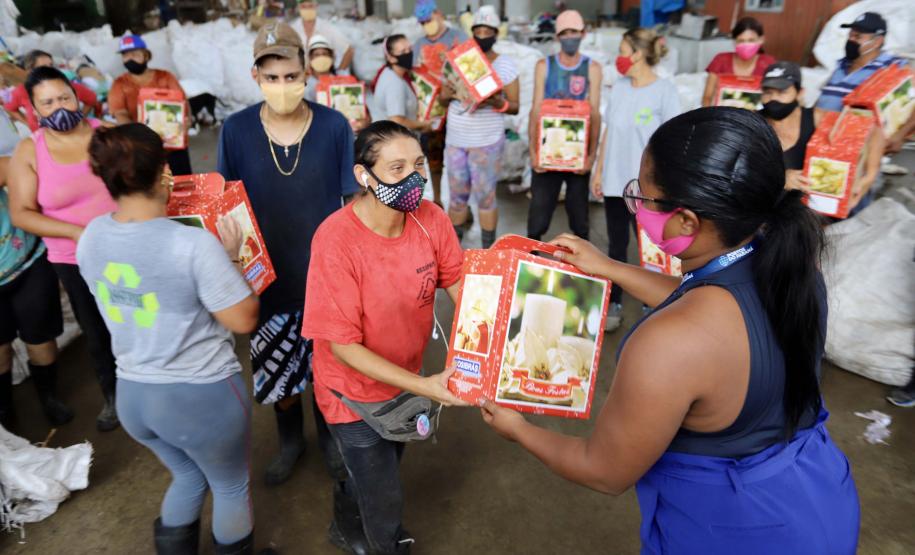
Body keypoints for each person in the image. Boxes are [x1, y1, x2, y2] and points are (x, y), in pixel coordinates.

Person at [482, 107, 860, 554]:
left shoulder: (666, 346)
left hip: (734, 532)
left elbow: (604, 471)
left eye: (643, 196)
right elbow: (701, 302)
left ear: (686, 223)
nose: (636, 205)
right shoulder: (793, 269)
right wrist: (608, 268)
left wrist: (519, 429)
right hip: (818, 500)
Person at [79, 123, 259, 554]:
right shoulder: (191, 245)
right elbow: (243, 318)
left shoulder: (91, 237)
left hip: (135, 398)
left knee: (187, 475)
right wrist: (233, 256)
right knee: (231, 485)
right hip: (199, 396)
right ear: (164, 174)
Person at [302, 121, 466, 554]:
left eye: (418, 165)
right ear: (364, 176)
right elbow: (343, 346)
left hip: (404, 379)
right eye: (396, 169)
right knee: (384, 494)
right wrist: (427, 387)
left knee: (386, 463)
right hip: (352, 392)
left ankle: (344, 517)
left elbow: (461, 285)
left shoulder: (431, 220)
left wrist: (502, 327)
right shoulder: (336, 241)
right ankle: (385, 546)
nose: (413, 178)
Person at [217, 21, 359, 486]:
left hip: (326, 277)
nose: (282, 86)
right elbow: (226, 204)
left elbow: (352, 203)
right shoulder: (235, 131)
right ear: (255, 76)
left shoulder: (335, 126)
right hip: (268, 278)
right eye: (271, 77)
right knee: (280, 375)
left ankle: (332, 442)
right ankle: (291, 441)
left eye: (291, 75)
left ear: (306, 73)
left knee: (330, 372)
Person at [7, 66, 120, 432]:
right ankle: (114, 396)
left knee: (140, 317)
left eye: (65, 97)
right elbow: (21, 213)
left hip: (124, 245)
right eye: (48, 102)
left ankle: (155, 387)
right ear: (35, 110)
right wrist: (76, 232)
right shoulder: (30, 151)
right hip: (75, 259)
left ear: (77, 96)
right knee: (97, 328)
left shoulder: (107, 135)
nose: (60, 107)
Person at [592, 27, 680, 332]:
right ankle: (613, 302)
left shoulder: (665, 91)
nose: (619, 57)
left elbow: (673, 143)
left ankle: (654, 303)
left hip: (648, 189)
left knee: (652, 247)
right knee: (617, 246)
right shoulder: (619, 87)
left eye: (622, 50)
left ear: (638, 54)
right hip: (616, 182)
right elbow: (608, 132)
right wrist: (600, 170)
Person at [0, 109, 72, 429]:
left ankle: (49, 396)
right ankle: (5, 410)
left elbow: (10, 168)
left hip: (25, 260)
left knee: (39, 335)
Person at [441, 5, 520, 248]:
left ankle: (488, 251)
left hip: (486, 142)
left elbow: (515, 106)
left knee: (486, 198)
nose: (483, 34)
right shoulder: (460, 59)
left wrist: (498, 102)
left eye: (488, 31)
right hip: (457, 139)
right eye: (479, 30)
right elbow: (443, 95)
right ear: (472, 32)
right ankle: (453, 250)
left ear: (496, 33)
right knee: (457, 198)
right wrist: (458, 93)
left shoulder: (506, 65)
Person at [760, 60, 881, 207]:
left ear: (800, 93)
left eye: (782, 92)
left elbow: (872, 129)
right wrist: (780, 179)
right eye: (768, 92)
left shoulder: (816, 118)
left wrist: (868, 177)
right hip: (765, 209)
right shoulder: (751, 123)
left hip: (810, 211)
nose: (773, 99)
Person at [526, 9, 602, 242]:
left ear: (583, 34)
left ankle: (586, 269)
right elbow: (536, 111)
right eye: (565, 33)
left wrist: (590, 156)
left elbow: (595, 114)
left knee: (579, 217)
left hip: (578, 157)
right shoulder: (544, 66)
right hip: (549, 151)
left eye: (574, 32)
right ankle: (530, 257)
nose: (570, 37)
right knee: (539, 215)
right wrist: (533, 151)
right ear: (557, 37)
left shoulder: (592, 68)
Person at [817, 11, 915, 154]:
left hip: (861, 151)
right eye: (850, 35)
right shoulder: (840, 65)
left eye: (858, 36)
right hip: (824, 144)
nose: (851, 40)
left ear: (877, 41)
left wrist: (899, 135)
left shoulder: (894, 68)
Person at [108, 34, 193, 176]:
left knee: (182, 186)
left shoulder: (165, 77)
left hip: (173, 145)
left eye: (134, 54)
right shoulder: (120, 84)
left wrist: (187, 120)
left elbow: (183, 103)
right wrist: (139, 137)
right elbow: (120, 113)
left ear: (146, 55)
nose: (130, 59)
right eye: (125, 55)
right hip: (143, 149)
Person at [413, 0, 468, 206]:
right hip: (431, 112)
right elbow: (415, 77)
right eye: (423, 22)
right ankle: (437, 200)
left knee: (460, 164)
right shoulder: (419, 44)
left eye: (429, 19)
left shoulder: (458, 38)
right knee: (434, 159)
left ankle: (463, 205)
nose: (428, 24)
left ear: (439, 14)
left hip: (458, 110)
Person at [4, 50, 99, 132]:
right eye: (44, 67)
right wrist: (28, 123)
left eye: (51, 65)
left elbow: (91, 98)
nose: (50, 69)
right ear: (30, 70)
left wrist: (80, 118)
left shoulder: (66, 85)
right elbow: (9, 108)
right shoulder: (21, 91)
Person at [701, 17, 775, 107]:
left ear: (761, 40)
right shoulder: (721, 60)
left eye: (751, 40)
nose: (746, 45)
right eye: (741, 41)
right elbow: (707, 97)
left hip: (755, 118)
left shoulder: (768, 63)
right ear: (734, 42)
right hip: (723, 116)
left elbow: (772, 97)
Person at [305, 35, 370, 133]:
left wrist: (362, 122)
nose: (321, 58)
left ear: (332, 57)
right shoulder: (305, 86)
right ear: (310, 58)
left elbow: (364, 113)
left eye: (325, 54)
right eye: (316, 55)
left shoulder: (344, 78)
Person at [374, 35, 428, 132]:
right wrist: (424, 125)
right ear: (391, 58)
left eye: (410, 49)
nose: (409, 53)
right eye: (403, 52)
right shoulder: (394, 84)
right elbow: (397, 121)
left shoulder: (392, 72)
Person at [296, 0, 354, 73]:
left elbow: (349, 50)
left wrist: (339, 72)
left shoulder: (327, 28)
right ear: (298, 8)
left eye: (310, 6)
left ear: (316, 7)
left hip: (325, 75)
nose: (307, 9)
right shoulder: (293, 29)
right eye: (304, 6)